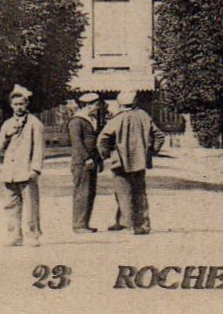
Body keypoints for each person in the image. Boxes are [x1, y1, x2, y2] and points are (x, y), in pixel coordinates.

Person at [96, 89, 163, 235]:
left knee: (123, 193)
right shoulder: (144, 116)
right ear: (134, 102)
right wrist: (150, 152)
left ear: (120, 103)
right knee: (140, 193)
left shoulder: (116, 118)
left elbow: (102, 139)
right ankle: (142, 225)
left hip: (120, 161)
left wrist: (106, 154)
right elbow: (159, 136)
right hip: (140, 161)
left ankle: (127, 224)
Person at [0, 83, 46, 247]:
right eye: (15, 104)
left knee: (31, 205)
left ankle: (32, 236)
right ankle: (14, 235)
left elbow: (39, 148)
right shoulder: (7, 123)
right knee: (10, 205)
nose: (18, 107)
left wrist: (36, 169)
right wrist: (8, 134)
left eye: (21, 104)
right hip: (10, 172)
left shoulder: (34, 123)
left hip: (26, 170)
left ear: (27, 104)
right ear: (11, 105)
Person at [65, 92, 102, 233]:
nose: (97, 107)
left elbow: (95, 141)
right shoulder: (76, 121)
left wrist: (98, 159)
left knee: (90, 192)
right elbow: (77, 142)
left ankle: (85, 223)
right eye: (96, 104)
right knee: (82, 192)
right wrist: (87, 158)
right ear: (88, 105)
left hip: (92, 161)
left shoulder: (90, 119)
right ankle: (79, 225)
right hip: (81, 162)